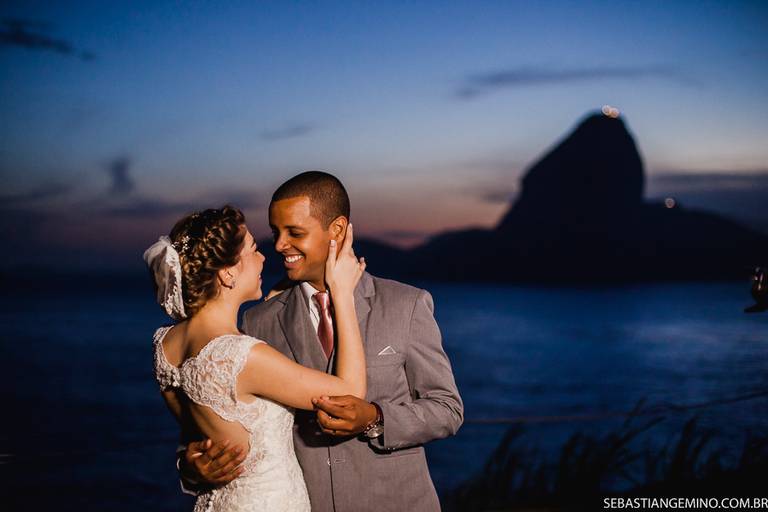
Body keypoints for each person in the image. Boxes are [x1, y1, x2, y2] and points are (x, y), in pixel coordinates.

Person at [182, 172, 464, 511]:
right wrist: (191, 468)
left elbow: (447, 409)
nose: (280, 245)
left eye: (294, 232)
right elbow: (220, 417)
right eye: (275, 232)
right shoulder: (259, 320)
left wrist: (376, 418)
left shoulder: (406, 304)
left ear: (337, 230)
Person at [144, 205, 367, 511]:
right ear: (227, 273)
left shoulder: (164, 344)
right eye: (253, 250)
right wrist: (343, 295)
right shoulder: (240, 356)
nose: (264, 257)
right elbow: (350, 392)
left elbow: (198, 434)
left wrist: (189, 466)